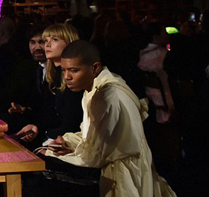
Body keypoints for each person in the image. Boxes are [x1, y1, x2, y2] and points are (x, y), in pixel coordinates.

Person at [44, 40, 177, 197]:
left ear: (95, 67)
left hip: (124, 175)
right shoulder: (93, 89)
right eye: (64, 70)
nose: (67, 77)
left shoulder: (108, 96)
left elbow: (97, 155)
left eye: (74, 70)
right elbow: (90, 134)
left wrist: (54, 153)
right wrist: (67, 141)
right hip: (112, 167)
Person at [15, 23, 83, 147]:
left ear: (70, 43)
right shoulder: (51, 75)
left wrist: (45, 134)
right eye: (46, 40)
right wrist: (36, 127)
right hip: (53, 136)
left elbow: (71, 124)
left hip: (68, 142)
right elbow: (48, 114)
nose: (47, 45)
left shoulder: (73, 78)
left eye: (54, 39)